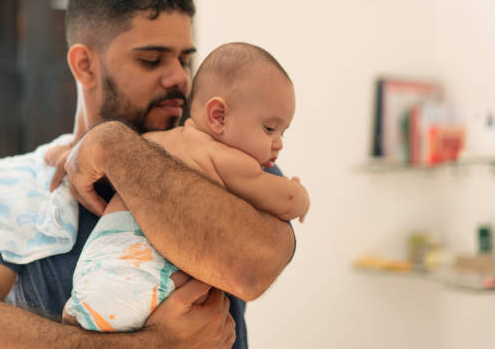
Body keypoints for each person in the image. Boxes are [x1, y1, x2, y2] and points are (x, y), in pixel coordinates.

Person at [0, 0, 296, 349]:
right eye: (151, 60)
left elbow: (253, 270)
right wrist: (151, 345)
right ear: (85, 65)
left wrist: (114, 146)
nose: (180, 78)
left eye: (184, 59)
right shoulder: (1, 189)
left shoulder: (230, 162)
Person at [56, 42, 309, 332]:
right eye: (269, 129)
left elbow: (87, 163)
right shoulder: (233, 162)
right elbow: (285, 199)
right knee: (201, 285)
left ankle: (78, 313)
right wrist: (300, 194)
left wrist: (64, 152)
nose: (278, 144)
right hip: (147, 279)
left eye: (282, 132)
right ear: (219, 116)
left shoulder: (146, 144)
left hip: (95, 268)